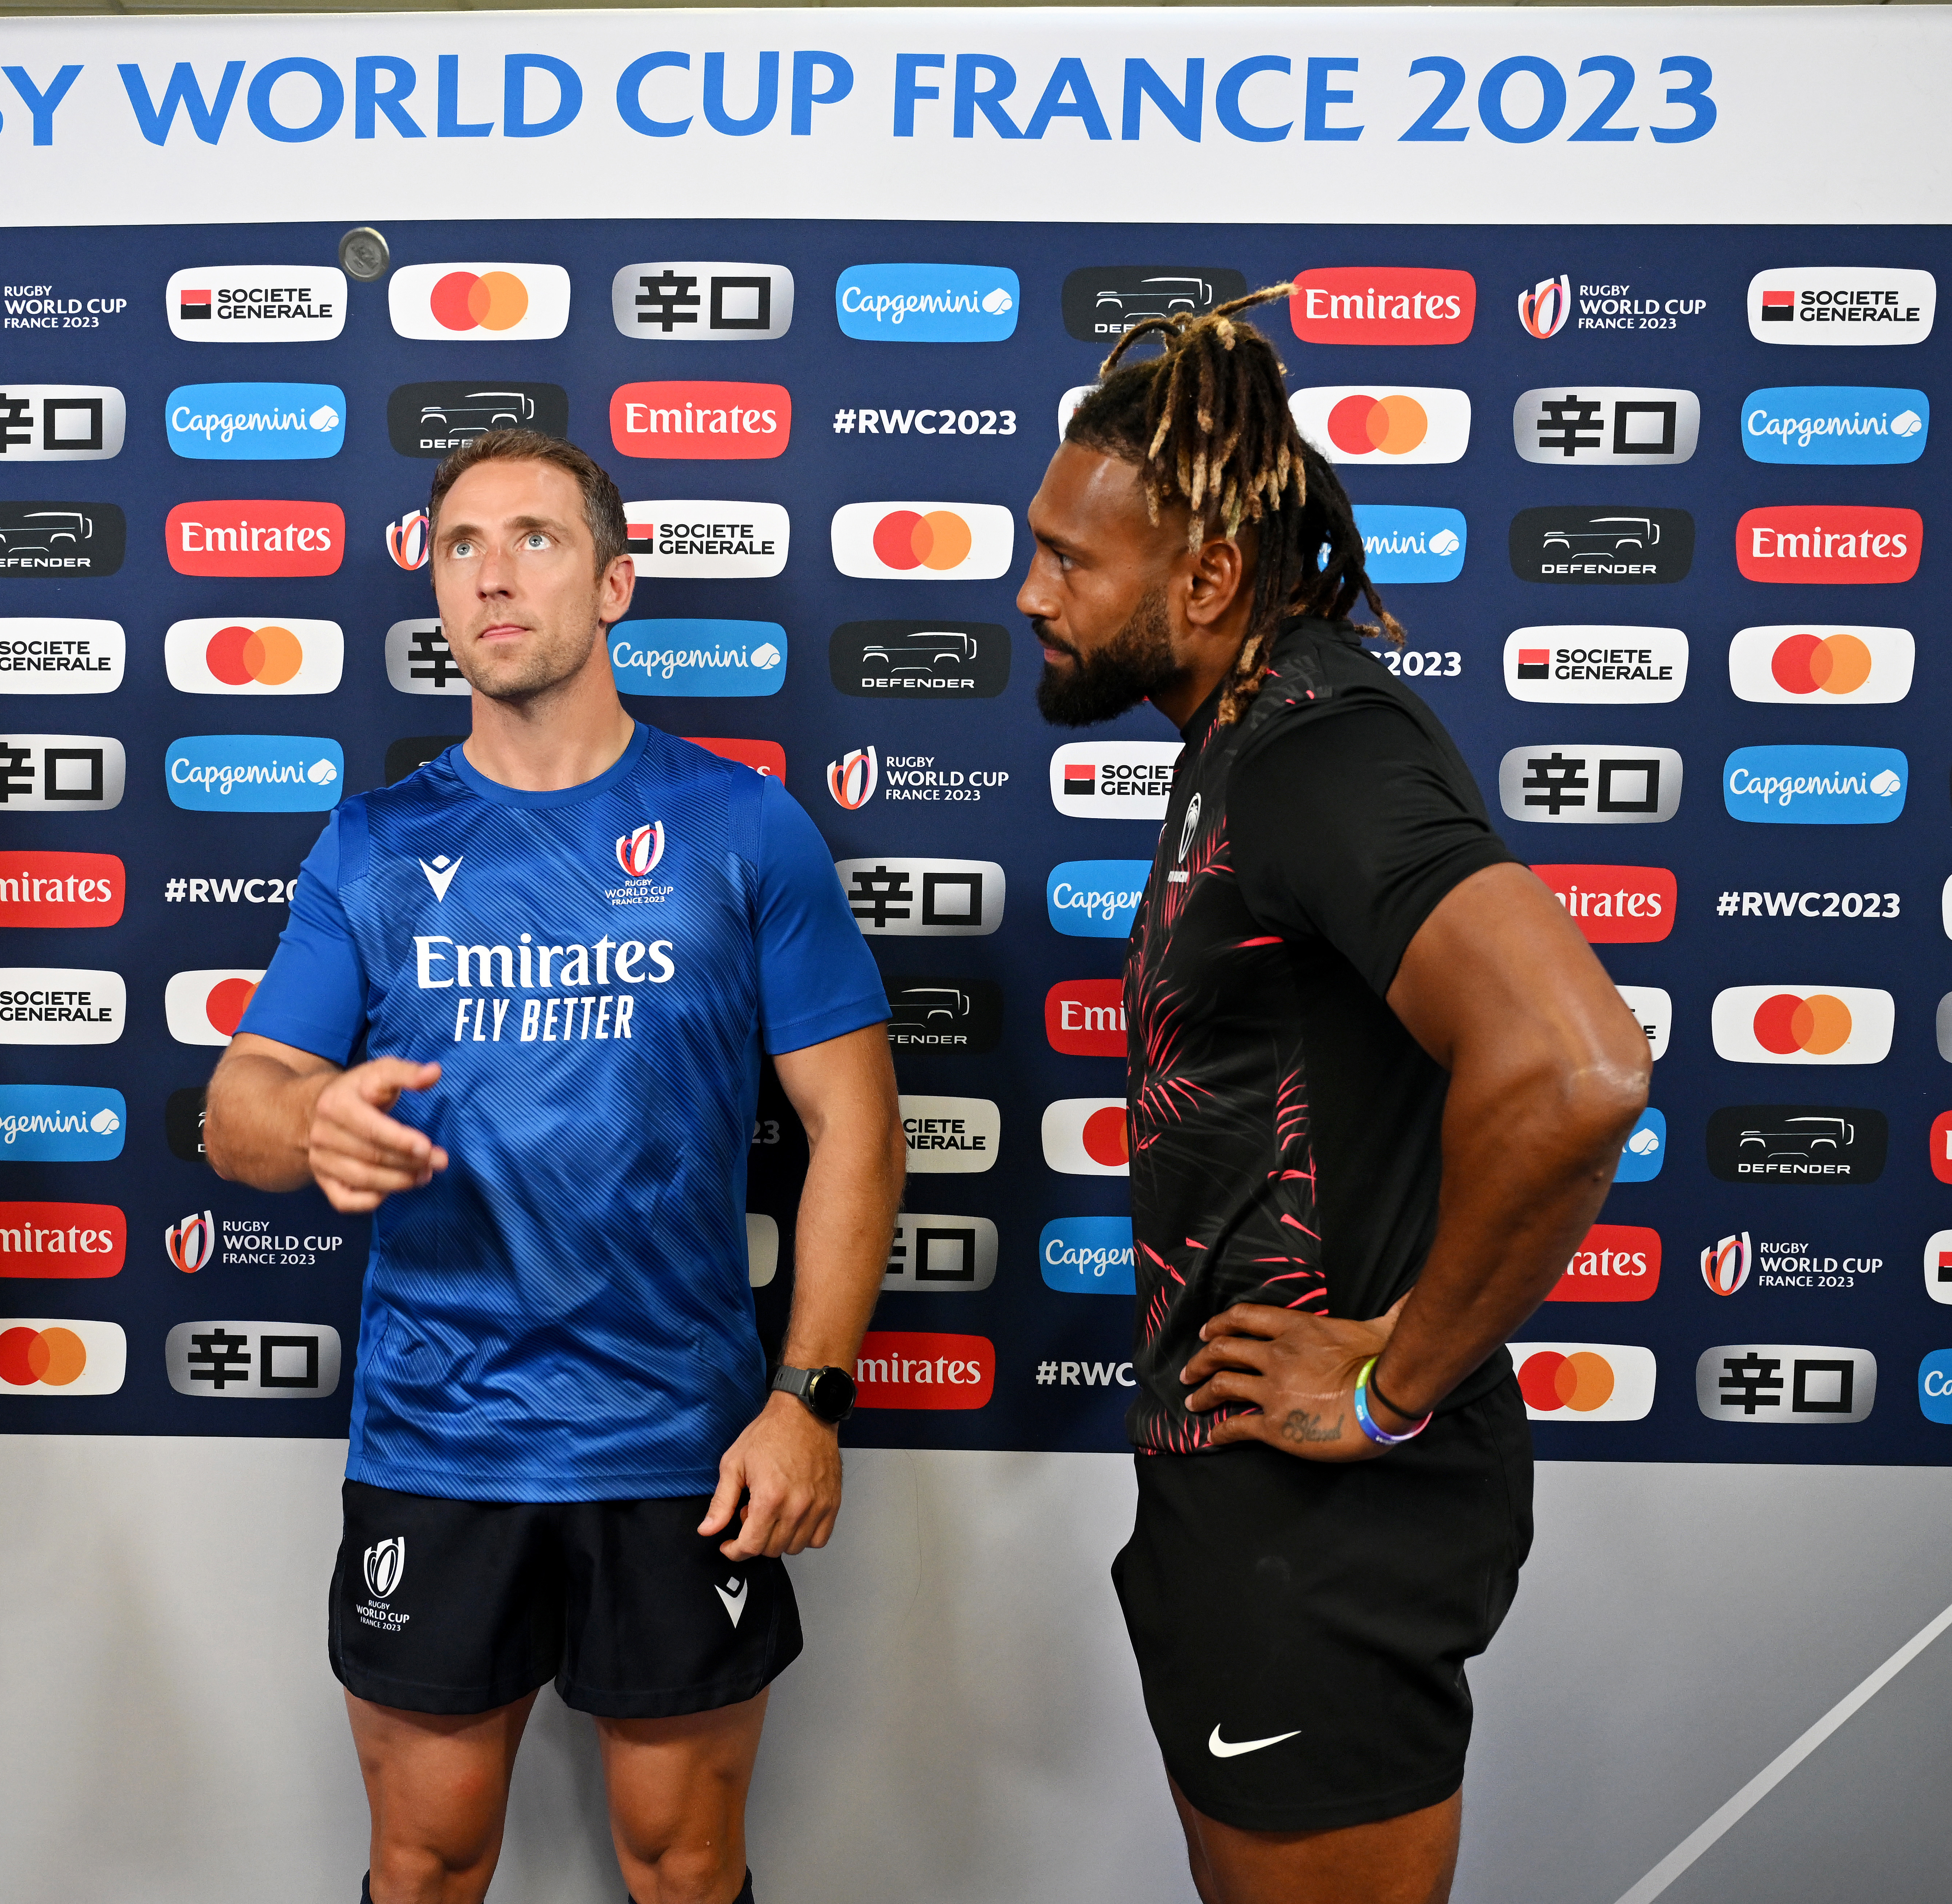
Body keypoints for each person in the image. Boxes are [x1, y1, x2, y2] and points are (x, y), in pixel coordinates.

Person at [204, 429, 904, 1904]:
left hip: (679, 1447)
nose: (491, 574)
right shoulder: (375, 843)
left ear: (615, 580)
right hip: (437, 1442)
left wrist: (807, 1400)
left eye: (531, 537)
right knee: (425, 1857)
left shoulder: (739, 824)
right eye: (458, 544)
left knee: (682, 1863)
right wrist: (308, 1119)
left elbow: (857, 1127)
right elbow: (241, 1104)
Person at [1015, 293, 1650, 1904]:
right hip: (1247, 1508)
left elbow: (1575, 1069)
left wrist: (1389, 1381)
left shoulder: (1314, 745)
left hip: (1323, 1524)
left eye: (1069, 560)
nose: (1028, 593)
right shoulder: (1240, 732)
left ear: (1208, 577)